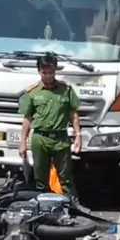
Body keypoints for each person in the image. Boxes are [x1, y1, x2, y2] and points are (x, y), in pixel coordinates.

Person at [18, 54, 82, 199]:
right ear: (39, 71)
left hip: (61, 139)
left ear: (55, 70)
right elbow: (27, 119)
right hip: (40, 139)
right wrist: (22, 142)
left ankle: (72, 206)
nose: (48, 76)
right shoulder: (32, 92)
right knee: (41, 179)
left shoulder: (66, 90)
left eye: (51, 72)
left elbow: (74, 115)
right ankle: (44, 208)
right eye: (44, 72)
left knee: (66, 178)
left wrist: (78, 136)